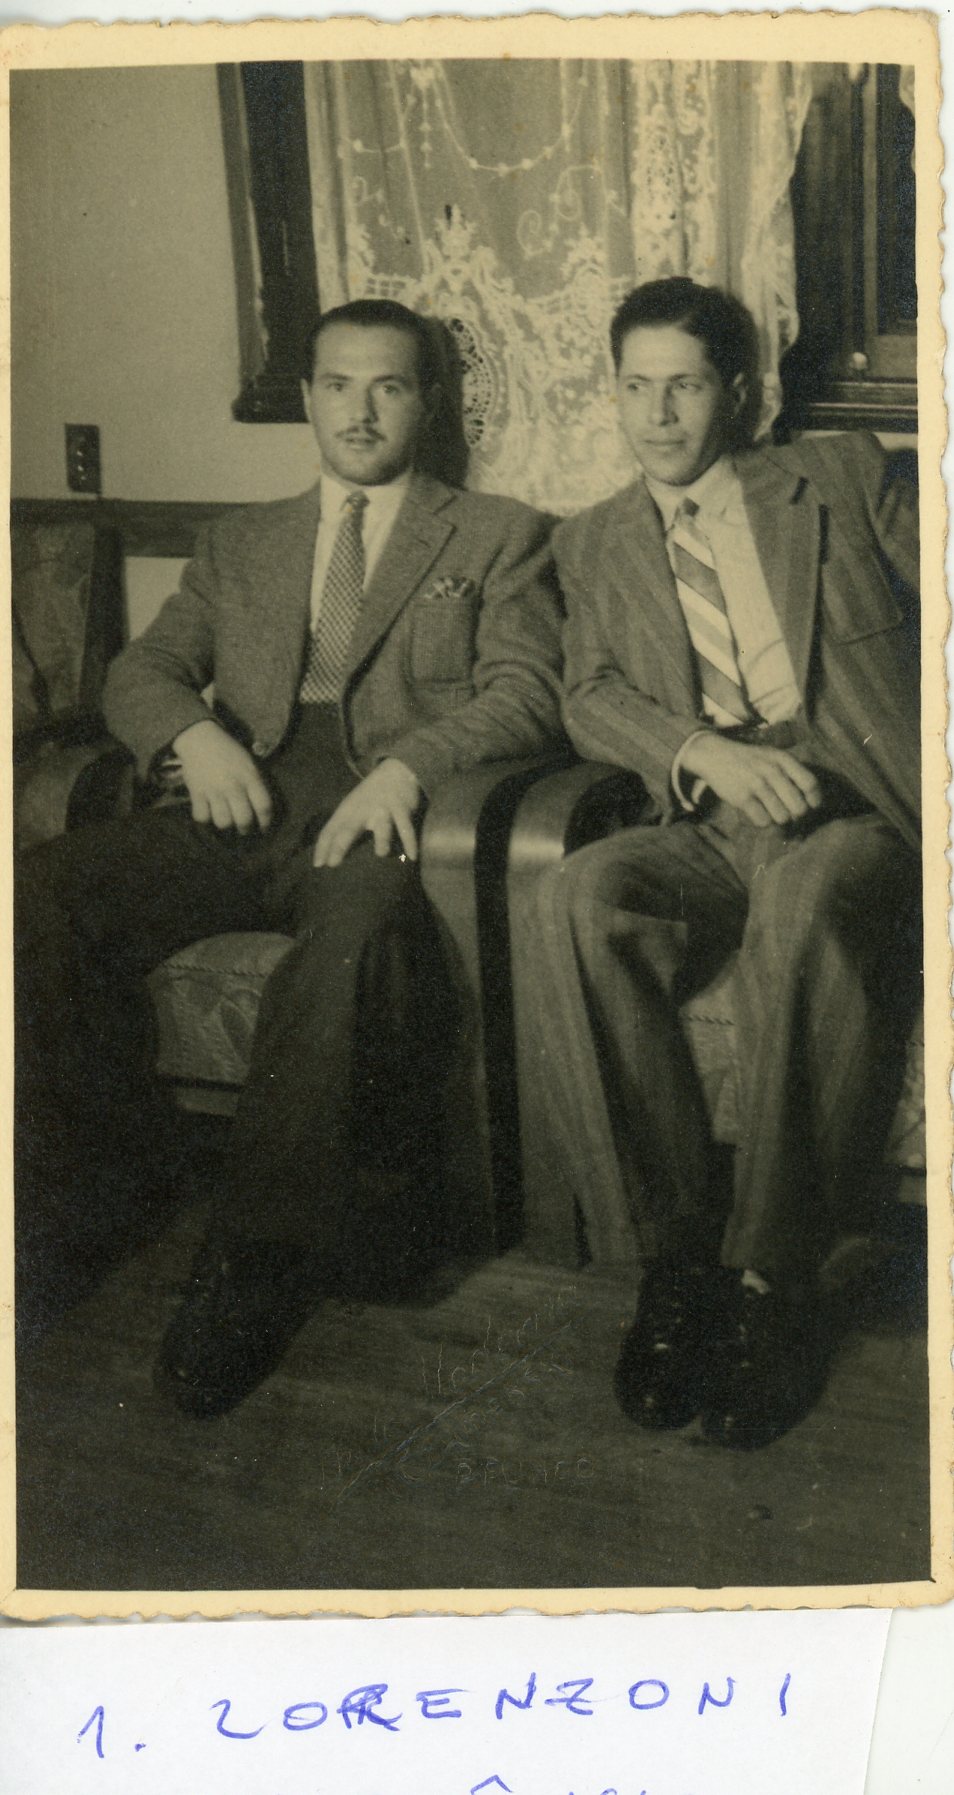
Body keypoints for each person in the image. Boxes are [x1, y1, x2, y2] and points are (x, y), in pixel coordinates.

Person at [16, 298, 564, 1418]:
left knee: (350, 942)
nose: (361, 411)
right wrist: (193, 734)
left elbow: (525, 692)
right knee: (39, 893)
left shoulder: (497, 533)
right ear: (307, 397)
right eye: (338, 385)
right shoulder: (242, 539)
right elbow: (142, 670)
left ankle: (253, 1263)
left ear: (428, 402)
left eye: (389, 386)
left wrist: (409, 767)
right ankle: (94, 1191)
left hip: (386, 811)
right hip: (243, 794)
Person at [532, 277, 920, 1450]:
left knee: (805, 890)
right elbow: (589, 693)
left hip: (856, 806)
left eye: (686, 386)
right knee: (578, 895)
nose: (658, 415)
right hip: (710, 814)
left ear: (737, 394)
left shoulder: (839, 480)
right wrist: (701, 751)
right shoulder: (591, 541)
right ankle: (674, 1262)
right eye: (636, 387)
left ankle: (770, 1281)